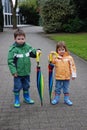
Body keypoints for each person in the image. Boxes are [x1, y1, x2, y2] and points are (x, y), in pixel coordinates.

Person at [7, 29, 41, 108]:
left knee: (26, 86)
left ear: (25, 38)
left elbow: (33, 52)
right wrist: (13, 72)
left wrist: (38, 51)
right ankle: (17, 99)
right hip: (17, 73)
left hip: (26, 72)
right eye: (18, 39)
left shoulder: (27, 46)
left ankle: (26, 98)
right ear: (15, 39)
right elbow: (10, 62)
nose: (21, 40)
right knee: (17, 87)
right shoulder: (13, 50)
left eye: (22, 39)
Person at [49, 41, 77, 106]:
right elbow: (51, 62)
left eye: (63, 49)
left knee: (66, 88)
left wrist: (73, 74)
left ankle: (66, 99)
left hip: (66, 77)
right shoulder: (56, 58)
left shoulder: (69, 58)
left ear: (65, 49)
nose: (61, 51)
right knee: (57, 88)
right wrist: (51, 55)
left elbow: (72, 66)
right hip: (58, 77)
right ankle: (56, 98)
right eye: (59, 50)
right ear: (57, 50)